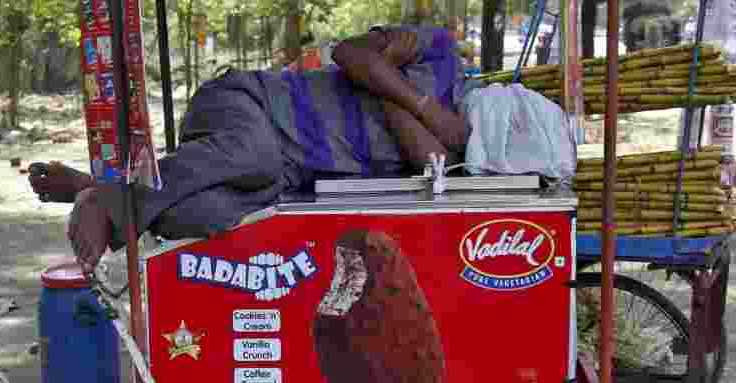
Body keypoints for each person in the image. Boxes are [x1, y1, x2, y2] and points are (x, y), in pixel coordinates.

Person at [30, 25, 473, 271]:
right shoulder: (439, 50)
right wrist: (428, 109)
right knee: (252, 153)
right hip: (250, 106)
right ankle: (113, 200)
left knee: (193, 219)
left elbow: (426, 150)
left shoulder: (455, 161)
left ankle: (99, 188)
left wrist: (391, 86)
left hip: (280, 179)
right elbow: (349, 54)